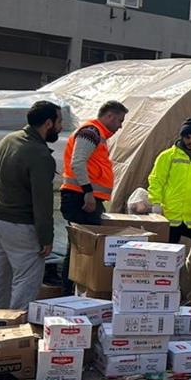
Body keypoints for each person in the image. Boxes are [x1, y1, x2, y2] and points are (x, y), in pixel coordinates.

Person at [0, 101, 63, 311]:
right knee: (26, 280)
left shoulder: (8, 139)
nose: (60, 127)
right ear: (48, 123)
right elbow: (42, 201)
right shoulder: (40, 155)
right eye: (59, 121)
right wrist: (46, 237)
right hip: (19, 224)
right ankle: (15, 331)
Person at [60, 101, 127, 291]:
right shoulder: (91, 132)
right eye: (120, 120)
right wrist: (88, 192)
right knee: (79, 249)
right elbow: (78, 162)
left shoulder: (97, 134)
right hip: (81, 198)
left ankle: (74, 290)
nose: (120, 126)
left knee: (81, 249)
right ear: (110, 117)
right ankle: (70, 290)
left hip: (84, 197)